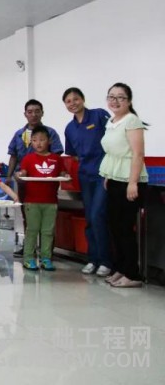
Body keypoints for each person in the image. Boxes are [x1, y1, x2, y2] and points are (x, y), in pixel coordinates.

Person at [99, 83, 148, 288]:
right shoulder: (111, 121)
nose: (115, 101)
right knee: (114, 226)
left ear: (129, 101)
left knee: (125, 228)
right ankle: (120, 268)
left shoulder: (131, 120)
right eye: (111, 97)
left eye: (120, 97)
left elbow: (137, 154)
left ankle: (132, 274)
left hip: (130, 180)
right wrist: (109, 175)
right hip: (115, 179)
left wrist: (133, 182)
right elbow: (113, 152)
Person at [63, 88, 112, 276]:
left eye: (76, 99)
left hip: (103, 174)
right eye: (68, 101)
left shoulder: (99, 115)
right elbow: (73, 155)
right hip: (85, 176)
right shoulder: (70, 128)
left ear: (83, 99)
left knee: (98, 215)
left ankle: (106, 261)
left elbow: (114, 138)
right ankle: (93, 259)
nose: (73, 103)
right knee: (90, 218)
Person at [6, 99, 64, 255]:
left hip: (46, 182)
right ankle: (29, 248)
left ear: (42, 113)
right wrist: (9, 176)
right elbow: (13, 156)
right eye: (30, 112)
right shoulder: (19, 134)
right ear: (25, 114)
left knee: (48, 217)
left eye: (37, 111)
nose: (33, 115)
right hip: (24, 181)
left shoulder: (51, 133)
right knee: (28, 215)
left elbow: (57, 156)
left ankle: (47, 251)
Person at [17, 126, 69, 271]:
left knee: (48, 231)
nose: (38, 143)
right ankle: (28, 258)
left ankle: (46, 258)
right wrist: (20, 175)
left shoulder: (56, 159)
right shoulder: (28, 158)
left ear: (49, 141)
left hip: (51, 202)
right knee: (32, 230)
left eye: (42, 140)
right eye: (35, 140)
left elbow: (63, 173)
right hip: (32, 201)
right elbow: (23, 172)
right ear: (31, 142)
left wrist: (65, 176)